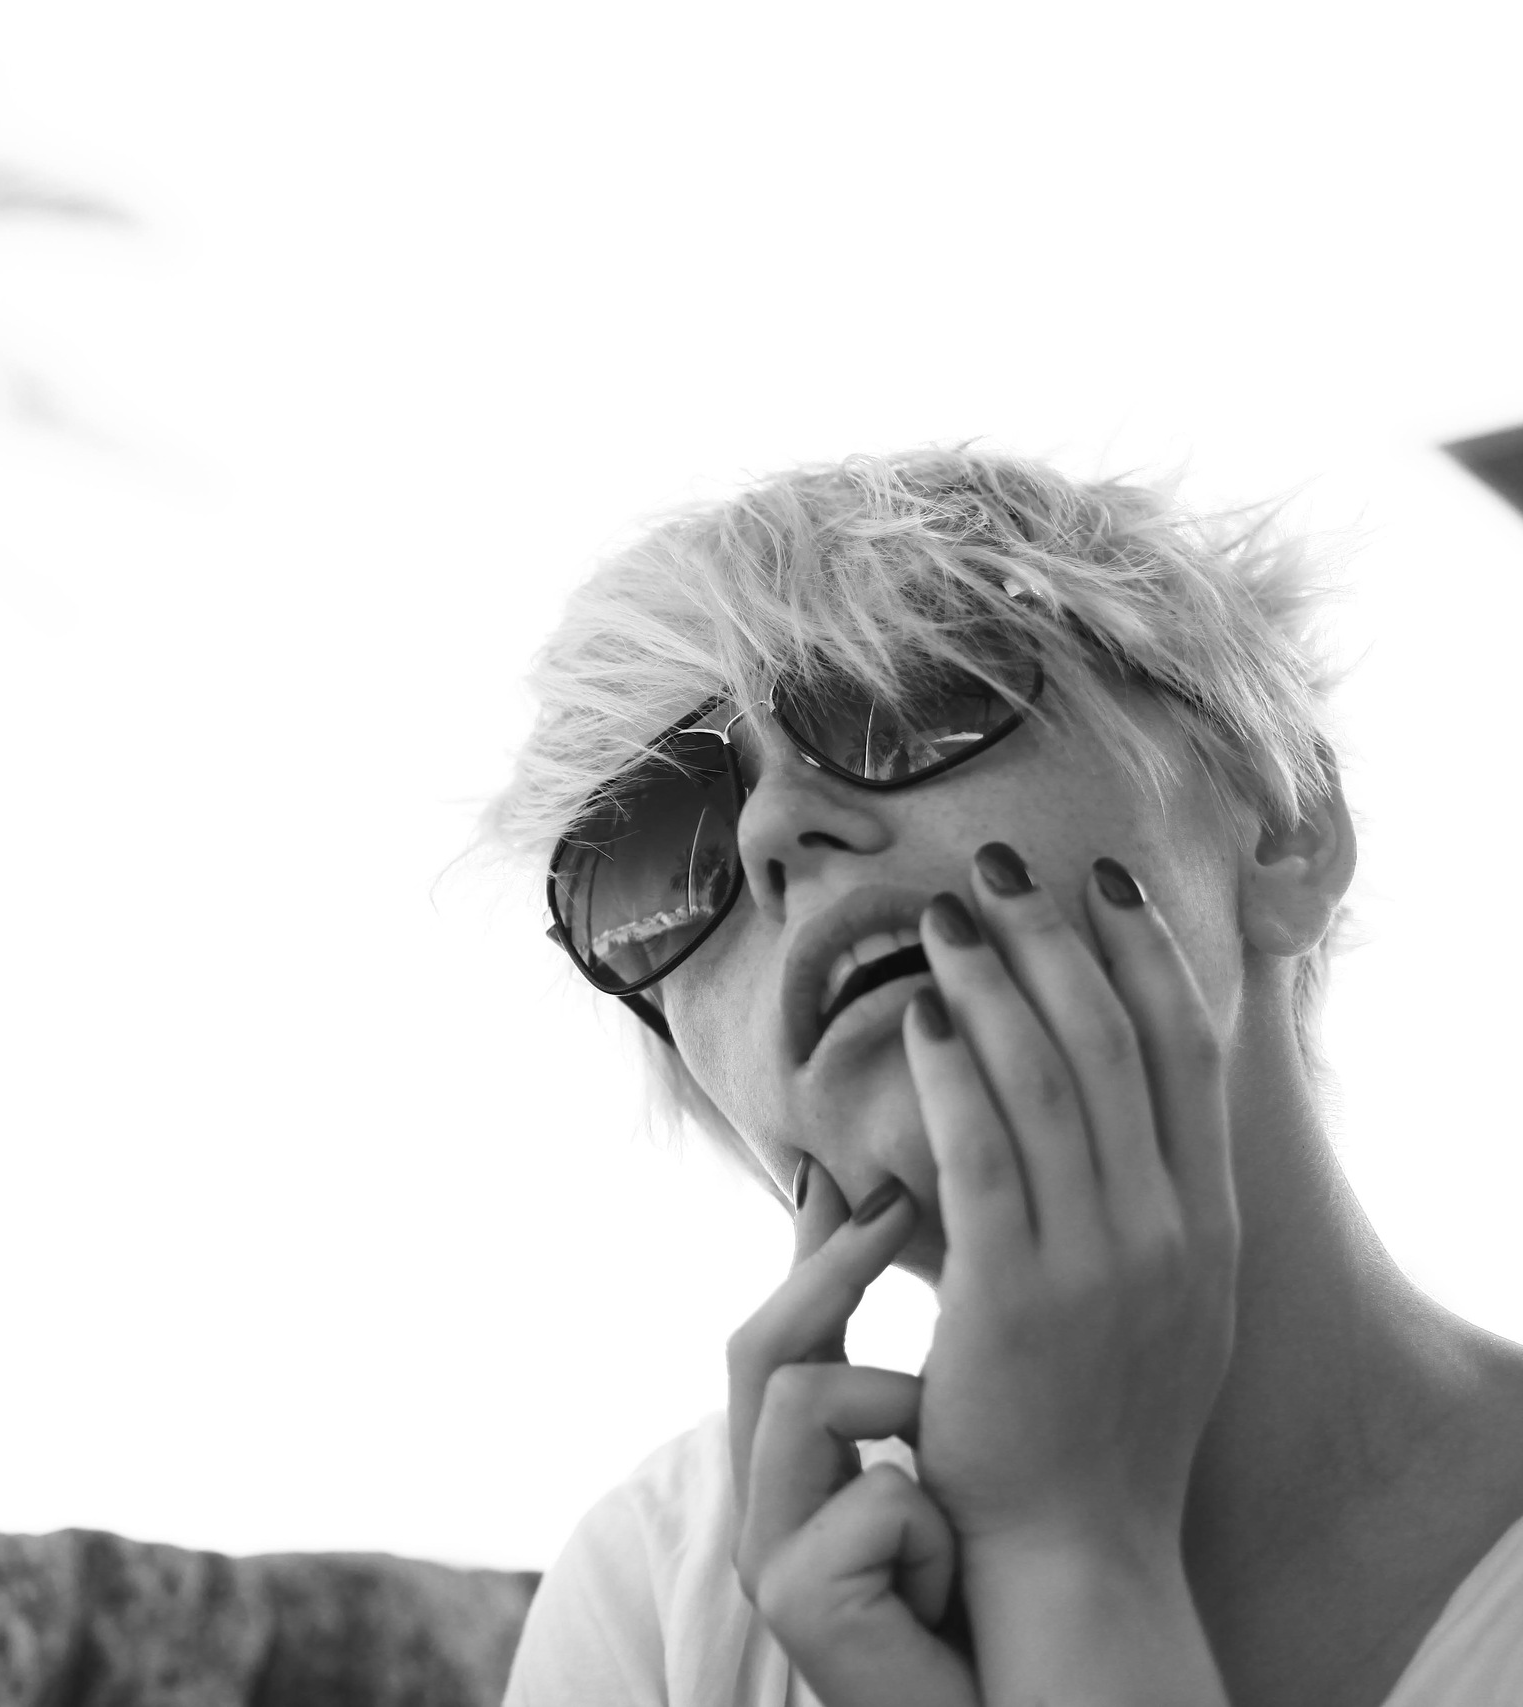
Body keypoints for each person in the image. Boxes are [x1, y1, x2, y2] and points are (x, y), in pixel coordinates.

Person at [490, 447, 1523, 1707]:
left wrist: (1071, 1563)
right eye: (656, 855)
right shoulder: (660, 1597)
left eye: (908, 692)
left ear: (1283, 824)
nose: (770, 831)